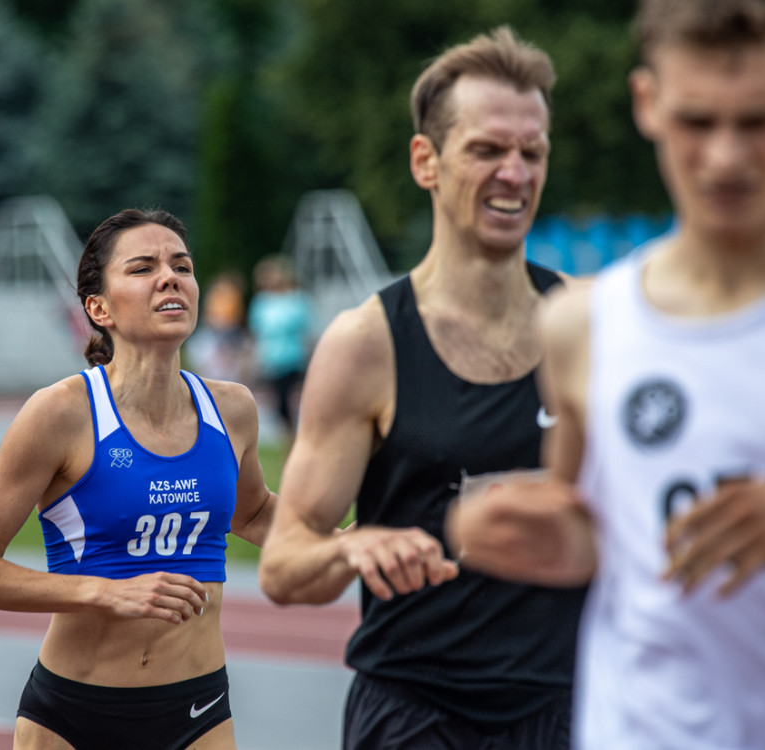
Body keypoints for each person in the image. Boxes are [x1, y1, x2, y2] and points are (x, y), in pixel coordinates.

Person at [447, 2, 765, 748]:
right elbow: (596, 538)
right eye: (698, 122)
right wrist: (506, 524)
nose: (726, 158)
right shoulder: (583, 324)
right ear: (648, 103)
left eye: (758, 120)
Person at [259, 27, 587, 750]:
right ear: (426, 161)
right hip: (416, 715)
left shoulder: (589, 325)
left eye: (532, 152)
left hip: (567, 710)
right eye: (487, 149)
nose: (515, 172)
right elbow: (284, 567)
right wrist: (353, 548)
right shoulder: (366, 344)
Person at [0, 208, 278, 750]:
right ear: (98, 308)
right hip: (76, 714)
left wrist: (341, 542)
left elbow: (255, 512)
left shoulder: (232, 408)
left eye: (182, 265)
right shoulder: (59, 414)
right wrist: (107, 592)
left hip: (199, 710)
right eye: (144, 267)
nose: (171, 277)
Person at [247, 254, 314, 441]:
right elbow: (257, 332)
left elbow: (305, 329)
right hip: (272, 359)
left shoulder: (297, 299)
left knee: (295, 401)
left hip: (294, 358)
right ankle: (290, 437)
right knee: (280, 405)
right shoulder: (261, 302)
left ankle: (298, 437)